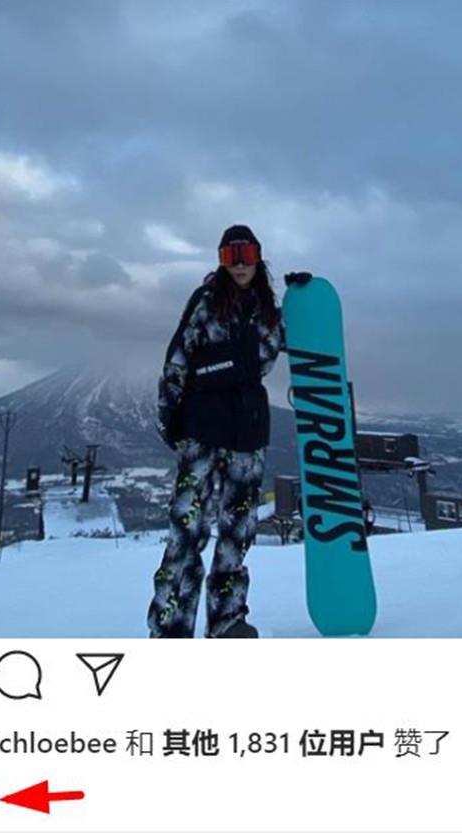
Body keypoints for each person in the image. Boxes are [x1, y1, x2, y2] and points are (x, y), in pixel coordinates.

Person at [147, 225, 285, 639]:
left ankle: (227, 620)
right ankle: (171, 626)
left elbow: (276, 350)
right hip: (204, 431)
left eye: (247, 255)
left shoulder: (267, 309)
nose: (239, 265)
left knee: (237, 532)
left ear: (258, 257)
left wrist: (303, 298)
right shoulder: (207, 301)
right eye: (230, 257)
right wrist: (172, 415)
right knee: (186, 533)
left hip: (247, 433)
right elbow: (178, 357)